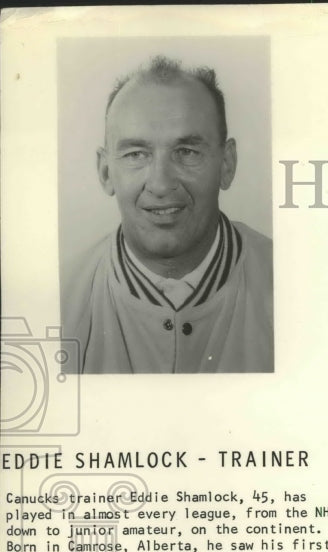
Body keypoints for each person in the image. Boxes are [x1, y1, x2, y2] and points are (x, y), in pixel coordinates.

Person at [62, 55, 273, 374]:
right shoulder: (56, 301)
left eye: (186, 152)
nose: (161, 184)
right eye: (136, 154)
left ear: (226, 164)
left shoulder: (298, 289)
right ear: (106, 172)